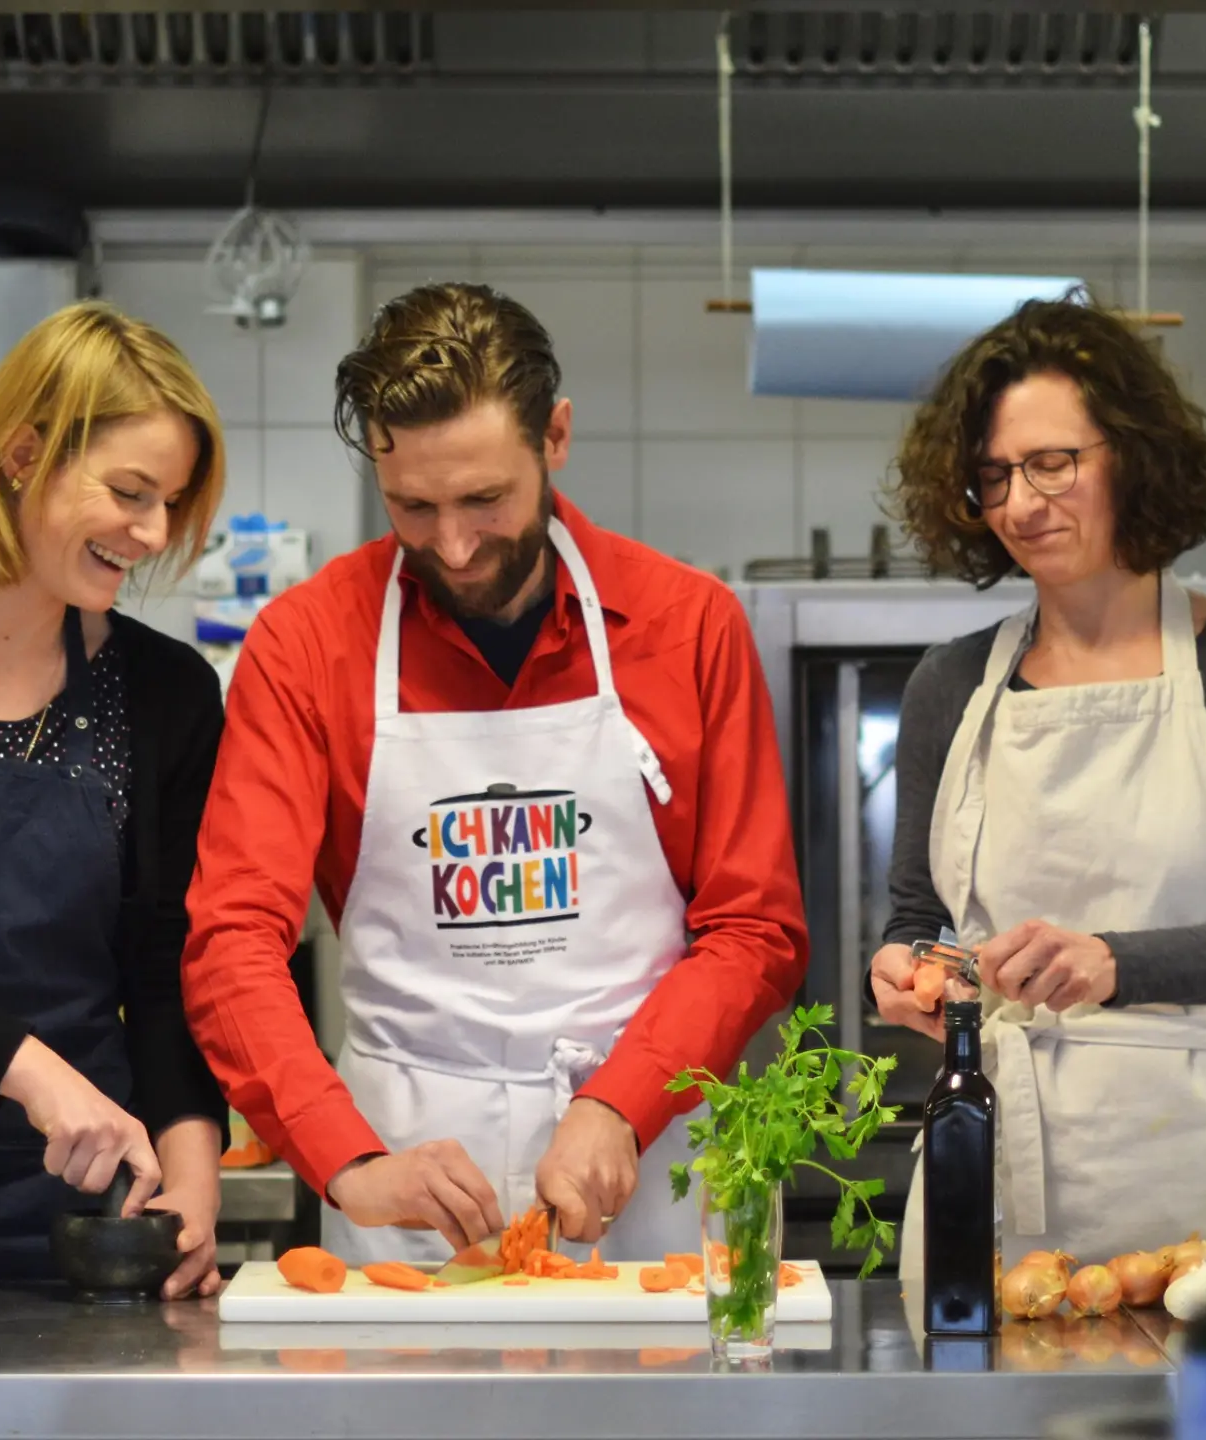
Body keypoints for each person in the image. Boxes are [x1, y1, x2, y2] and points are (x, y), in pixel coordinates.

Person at [182, 281, 807, 1264]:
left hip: (646, 1161)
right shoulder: (306, 645)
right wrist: (347, 1161)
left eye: (485, 500)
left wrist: (622, 1102)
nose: (456, 547)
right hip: (402, 1170)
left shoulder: (688, 626)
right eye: (412, 508)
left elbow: (753, 925)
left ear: (555, 437)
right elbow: (231, 944)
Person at [872, 296, 1206, 1279]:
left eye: (1053, 463)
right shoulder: (950, 685)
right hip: (995, 1172)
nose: (1022, 503)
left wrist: (1111, 962)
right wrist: (901, 970)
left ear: (1134, 457)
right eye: (995, 477)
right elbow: (915, 914)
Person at [0, 301, 229, 1294]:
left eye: (172, 504)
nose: (152, 534)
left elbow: (160, 973)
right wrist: (37, 1075)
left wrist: (191, 1177)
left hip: (68, 1224)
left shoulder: (167, 694)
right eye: (131, 491)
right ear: (24, 454)